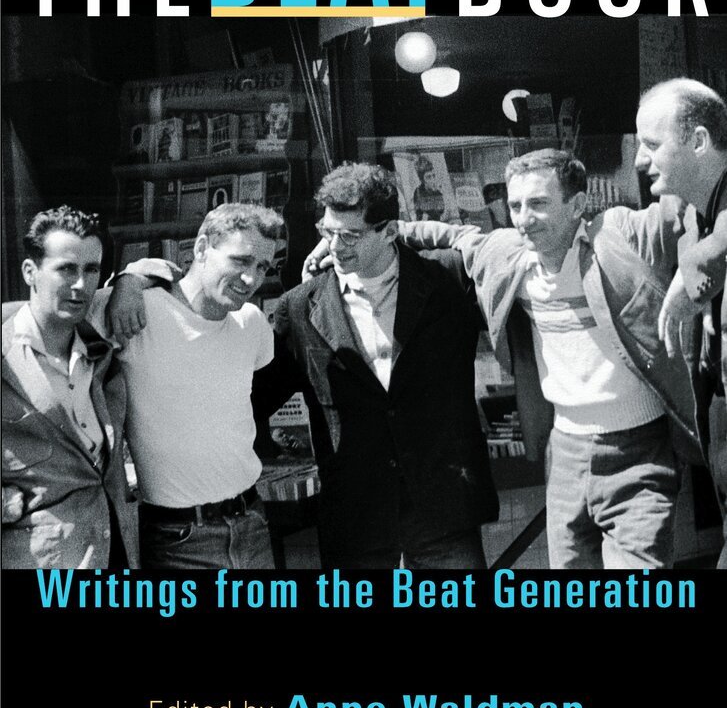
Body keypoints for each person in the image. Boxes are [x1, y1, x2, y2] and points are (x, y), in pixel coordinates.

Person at [308, 151, 702, 570]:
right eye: (515, 205)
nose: (524, 219)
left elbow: (694, 208)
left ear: (577, 205)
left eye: (538, 203)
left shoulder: (619, 232)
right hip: (565, 451)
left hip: (640, 447)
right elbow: (445, 234)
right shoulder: (506, 254)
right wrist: (346, 237)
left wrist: (693, 273)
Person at [256, 162, 498, 569]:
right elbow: (254, 401)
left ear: (389, 231)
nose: (335, 247)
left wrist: (417, 232)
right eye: (327, 232)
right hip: (358, 520)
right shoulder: (299, 307)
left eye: (350, 235)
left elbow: (513, 246)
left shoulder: (449, 279)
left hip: (445, 511)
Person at [104, 202, 283, 570]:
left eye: (262, 267)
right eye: (240, 260)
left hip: (252, 525)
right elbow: (48, 321)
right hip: (177, 539)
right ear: (201, 248)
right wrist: (128, 279)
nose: (251, 279)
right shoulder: (138, 311)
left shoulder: (252, 324)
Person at [2, 206, 137, 569]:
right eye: (66, 269)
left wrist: (130, 280)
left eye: (91, 270)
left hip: (112, 553)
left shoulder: (100, 352)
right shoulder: (5, 358)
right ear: (30, 271)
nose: (80, 284)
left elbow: (168, 274)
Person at [635, 77, 727, 567]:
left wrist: (696, 269)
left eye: (652, 144)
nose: (639, 159)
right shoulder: (691, 215)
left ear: (699, 141)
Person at [412, 155, 445, 221]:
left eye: (433, 176)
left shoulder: (437, 192)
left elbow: (441, 211)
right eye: (428, 177)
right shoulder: (418, 192)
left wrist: (439, 193)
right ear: (423, 180)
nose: (432, 180)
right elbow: (420, 213)